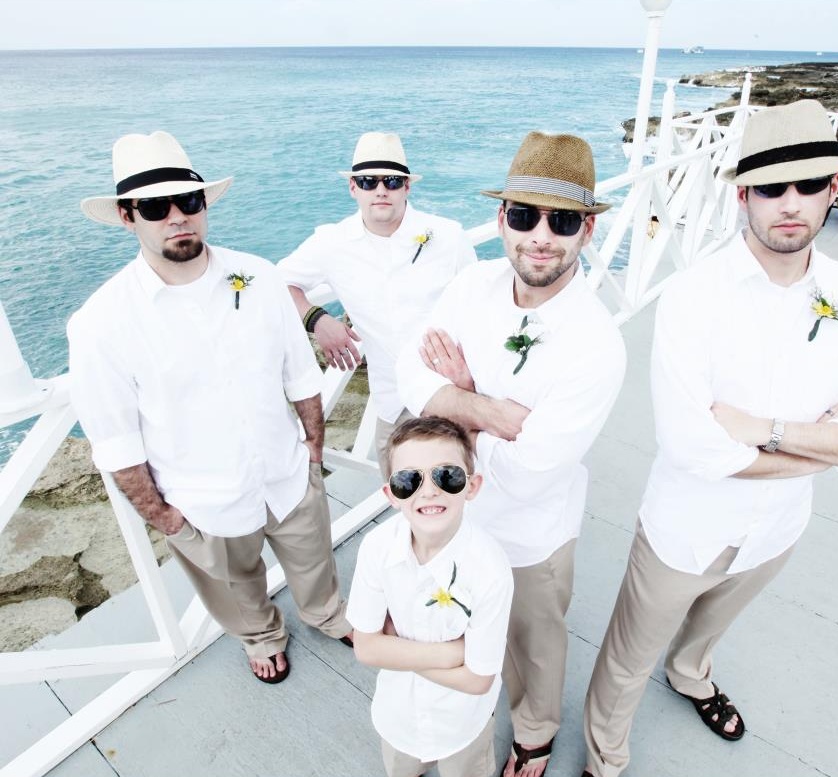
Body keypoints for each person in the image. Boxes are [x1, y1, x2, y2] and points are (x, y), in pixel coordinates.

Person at [581, 99, 838, 777]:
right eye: (770, 187)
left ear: (833, 188)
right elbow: (693, 447)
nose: (790, 203)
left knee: (710, 629)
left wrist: (767, 432)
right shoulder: (693, 296)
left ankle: (690, 673)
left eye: (808, 183)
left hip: (778, 529)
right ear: (743, 196)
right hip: (686, 530)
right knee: (626, 660)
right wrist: (828, 444)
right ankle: (604, 758)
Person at [69, 130, 352, 684]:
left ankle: (326, 613)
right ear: (128, 217)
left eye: (189, 200)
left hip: (287, 470)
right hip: (201, 499)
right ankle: (260, 635)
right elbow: (116, 441)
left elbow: (299, 371)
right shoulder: (101, 323)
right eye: (156, 208)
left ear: (203, 204)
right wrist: (166, 519)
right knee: (234, 587)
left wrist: (313, 451)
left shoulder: (260, 276)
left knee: (315, 558)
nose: (178, 217)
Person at [396, 131, 627, 777]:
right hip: (449, 518)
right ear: (502, 219)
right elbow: (408, 374)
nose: (541, 236)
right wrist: (490, 410)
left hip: (532, 534)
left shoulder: (596, 343)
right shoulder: (472, 284)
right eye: (525, 215)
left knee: (534, 645)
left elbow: (529, 475)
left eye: (563, 221)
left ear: (587, 231)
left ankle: (534, 732)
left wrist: (454, 403)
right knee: (452, 618)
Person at [278, 132, 477, 476]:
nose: (381, 190)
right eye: (369, 181)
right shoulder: (332, 242)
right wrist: (317, 319)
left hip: (451, 395)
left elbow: (480, 310)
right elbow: (276, 283)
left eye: (392, 181)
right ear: (353, 187)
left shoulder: (449, 236)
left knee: (464, 489)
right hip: (392, 402)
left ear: (407, 187)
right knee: (401, 491)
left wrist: (474, 387)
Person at [348, 416, 513, 777]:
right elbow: (366, 648)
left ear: (472, 486)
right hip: (398, 716)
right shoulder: (377, 548)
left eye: (446, 476)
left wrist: (395, 648)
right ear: (391, 494)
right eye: (409, 480)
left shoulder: (490, 570)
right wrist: (452, 653)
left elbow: (479, 680)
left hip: (462, 723)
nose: (428, 491)